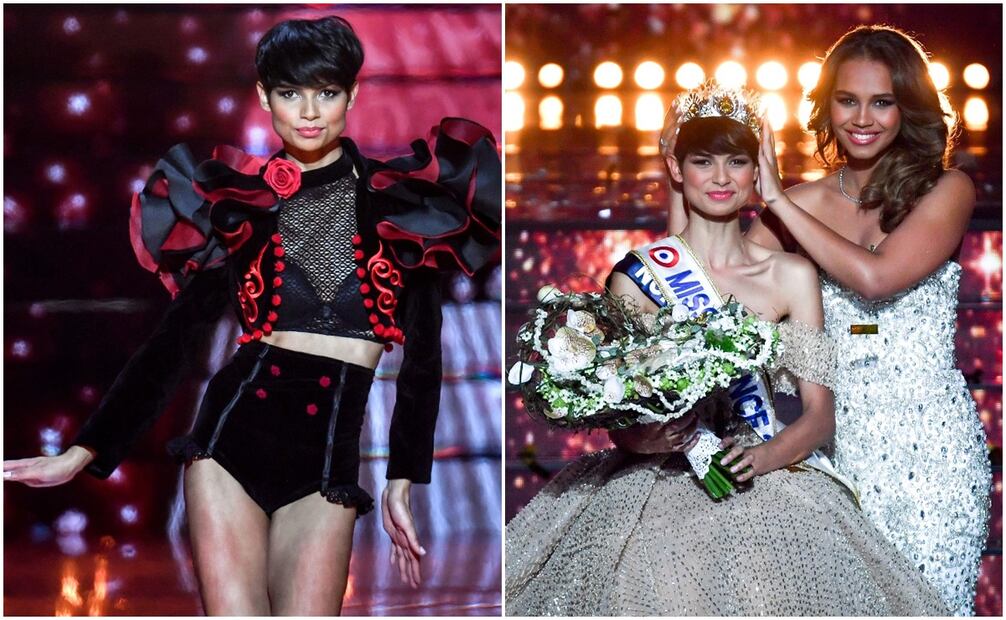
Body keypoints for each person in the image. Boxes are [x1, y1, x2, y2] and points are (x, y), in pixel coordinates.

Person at [3, 16, 500, 615]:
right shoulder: (243, 205)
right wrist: (82, 453)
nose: (309, 111)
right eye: (290, 93)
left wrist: (403, 479)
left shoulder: (401, 203)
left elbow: (424, 356)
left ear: (353, 94)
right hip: (228, 448)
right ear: (265, 97)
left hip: (326, 464)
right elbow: (172, 344)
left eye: (327, 92)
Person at [505, 83, 947, 616]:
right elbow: (619, 417)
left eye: (737, 162)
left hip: (765, 474)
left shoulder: (791, 276)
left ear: (757, 170)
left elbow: (819, 418)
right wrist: (645, 438)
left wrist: (759, 459)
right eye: (702, 162)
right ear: (677, 169)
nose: (720, 178)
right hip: (660, 480)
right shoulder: (638, 278)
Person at [736, 25, 989, 615]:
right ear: (826, 105)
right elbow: (732, 311)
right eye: (848, 100)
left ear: (909, 108)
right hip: (831, 453)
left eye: (882, 101)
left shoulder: (948, 189)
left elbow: (877, 277)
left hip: (933, 457)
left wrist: (776, 203)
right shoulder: (800, 203)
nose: (863, 118)